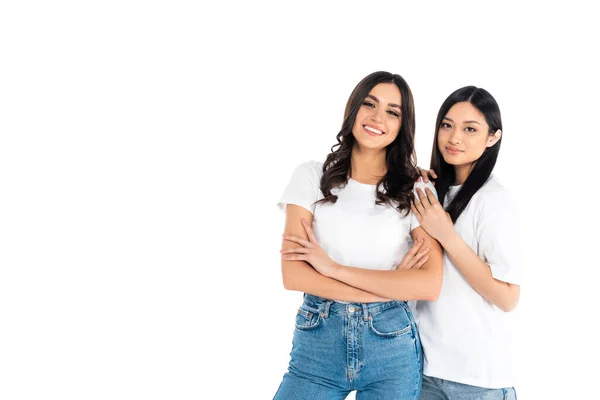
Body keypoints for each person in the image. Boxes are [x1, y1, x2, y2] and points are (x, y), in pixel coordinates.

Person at [273, 71, 443, 400]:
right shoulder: (311, 176)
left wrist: (331, 268)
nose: (378, 117)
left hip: (391, 346)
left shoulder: (416, 189)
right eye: (370, 104)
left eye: (393, 112)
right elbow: (293, 275)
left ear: (402, 126)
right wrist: (388, 289)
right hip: (318, 342)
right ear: (354, 108)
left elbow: (429, 283)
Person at [412, 86, 521, 400]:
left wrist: (447, 235)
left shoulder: (494, 200)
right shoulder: (429, 192)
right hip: (423, 372)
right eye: (447, 125)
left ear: (492, 137)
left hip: (477, 382)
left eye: (470, 129)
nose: (454, 137)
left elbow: (507, 298)